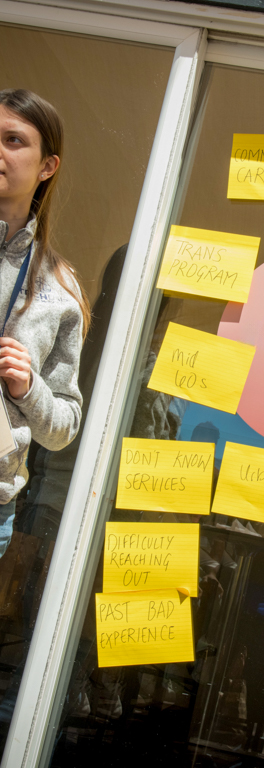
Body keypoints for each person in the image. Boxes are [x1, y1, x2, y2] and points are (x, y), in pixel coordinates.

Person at [0, 88, 89, 556]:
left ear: (47, 167)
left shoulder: (59, 286)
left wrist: (27, 386)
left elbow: (63, 428)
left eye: (13, 140)